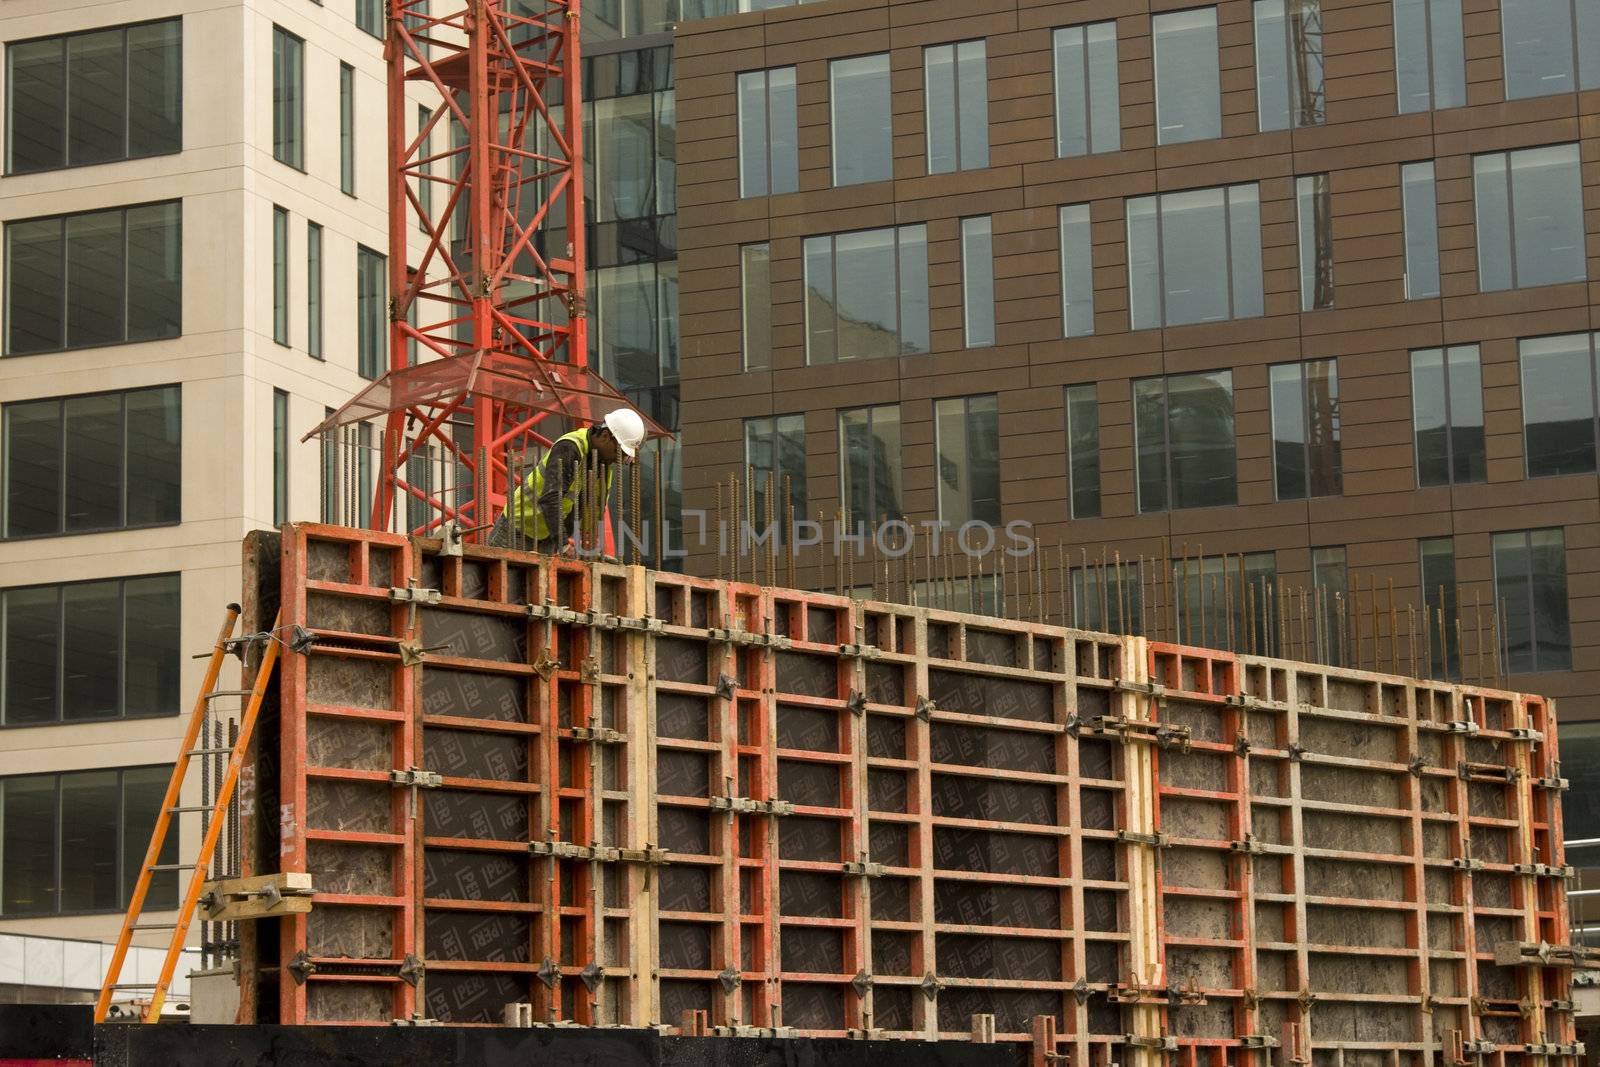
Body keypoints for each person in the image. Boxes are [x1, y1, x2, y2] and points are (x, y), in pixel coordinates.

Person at [488, 408, 645, 553]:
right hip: (518, 529)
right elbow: (551, 498)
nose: (620, 459)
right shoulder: (570, 447)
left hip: (547, 537)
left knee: (535, 583)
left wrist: (590, 548)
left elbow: (592, 508)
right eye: (621, 452)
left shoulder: (603, 464)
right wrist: (563, 543)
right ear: (605, 436)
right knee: (503, 581)